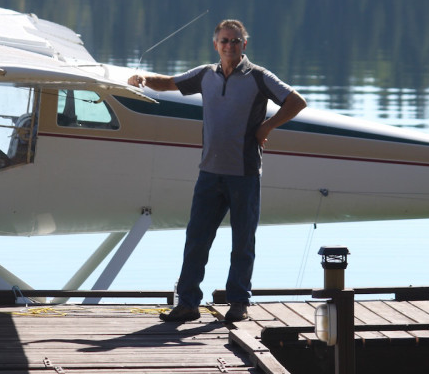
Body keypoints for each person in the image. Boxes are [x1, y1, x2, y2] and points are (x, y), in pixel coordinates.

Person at [128, 19, 307, 323]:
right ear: (216, 45)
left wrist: (266, 126)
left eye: (235, 41)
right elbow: (169, 82)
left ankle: (238, 302)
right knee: (196, 238)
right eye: (224, 41)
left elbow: (296, 101)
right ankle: (187, 303)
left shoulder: (259, 77)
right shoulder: (205, 75)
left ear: (244, 45)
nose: (229, 46)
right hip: (209, 172)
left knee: (242, 241)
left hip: (244, 173)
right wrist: (141, 77)